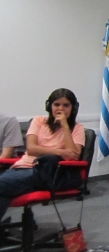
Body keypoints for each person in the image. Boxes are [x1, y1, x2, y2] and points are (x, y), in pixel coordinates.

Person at [0, 88, 84, 222]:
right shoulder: (38, 121)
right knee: (3, 193)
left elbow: (73, 156)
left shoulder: (77, 128)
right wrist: (59, 151)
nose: (60, 109)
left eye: (66, 105)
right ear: (49, 106)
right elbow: (31, 149)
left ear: (73, 108)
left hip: (47, 173)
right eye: (56, 104)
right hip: (21, 168)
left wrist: (65, 126)